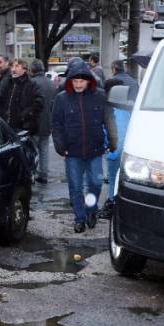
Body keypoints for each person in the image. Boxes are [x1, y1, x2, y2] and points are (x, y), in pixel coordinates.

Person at [52, 60, 118, 233]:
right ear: (70, 81)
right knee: (75, 187)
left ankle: (91, 210)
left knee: (95, 184)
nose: (78, 84)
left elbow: (109, 120)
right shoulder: (61, 99)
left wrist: (113, 141)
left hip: (95, 149)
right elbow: (56, 125)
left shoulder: (100, 96)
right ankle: (79, 218)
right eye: (75, 81)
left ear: (89, 80)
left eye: (81, 81)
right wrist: (60, 146)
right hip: (72, 151)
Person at [97, 60, 139, 219]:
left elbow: (117, 134)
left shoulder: (114, 111)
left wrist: (112, 152)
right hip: (123, 148)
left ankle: (112, 205)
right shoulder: (124, 108)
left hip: (117, 151)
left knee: (114, 177)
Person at [29, 59, 57, 184]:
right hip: (47, 122)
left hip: (33, 123)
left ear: (32, 70)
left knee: (32, 150)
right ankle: (44, 174)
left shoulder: (31, 83)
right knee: (44, 149)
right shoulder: (51, 83)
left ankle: (32, 174)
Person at [0, 58, 43, 134]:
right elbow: (1, 98)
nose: (13, 69)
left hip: (23, 128)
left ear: (24, 69)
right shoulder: (9, 82)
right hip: (7, 125)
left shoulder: (31, 84)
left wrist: (23, 116)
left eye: (17, 66)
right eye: (13, 66)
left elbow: (39, 103)